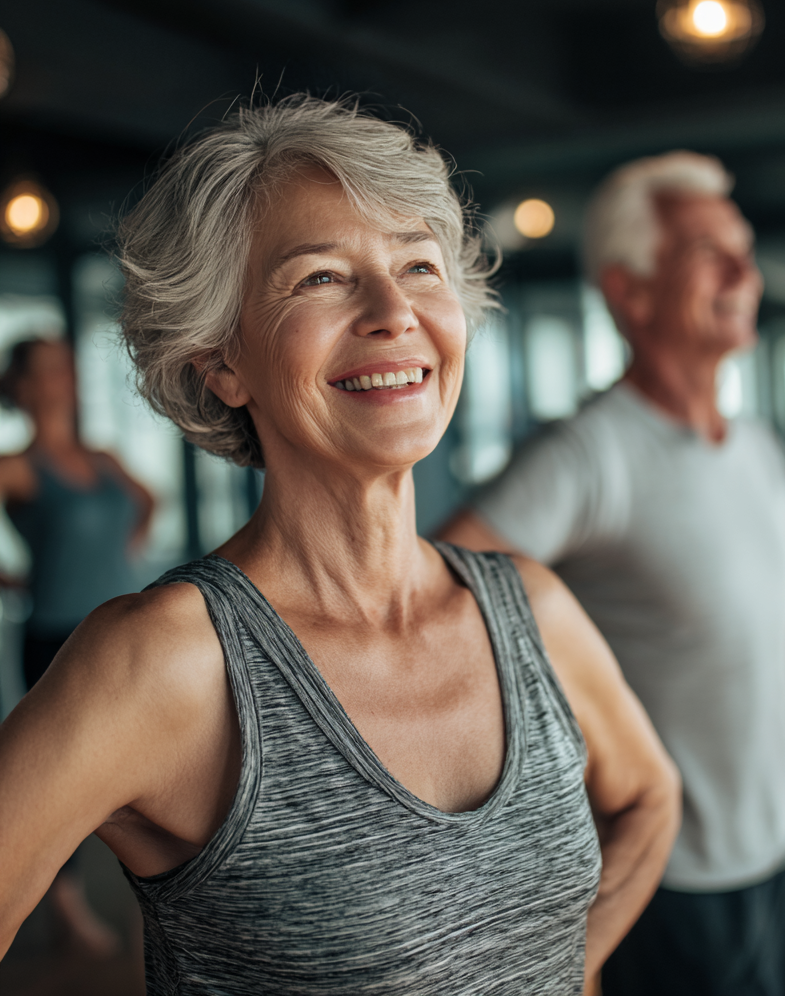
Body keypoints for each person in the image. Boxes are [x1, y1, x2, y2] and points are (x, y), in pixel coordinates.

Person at [0, 97, 681, 996]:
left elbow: (650, 798)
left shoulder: (533, 609)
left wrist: (558, 971)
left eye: (419, 265)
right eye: (321, 277)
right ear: (221, 359)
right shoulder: (166, 663)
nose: (394, 311)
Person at [440, 151, 785, 996]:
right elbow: (433, 596)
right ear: (630, 291)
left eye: (744, 248)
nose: (744, 270)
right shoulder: (590, 454)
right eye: (706, 251)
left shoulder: (760, 447)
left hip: (772, 846)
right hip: (669, 875)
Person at [0, 335, 154, 956]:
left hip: (122, 631)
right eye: (48, 370)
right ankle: (65, 909)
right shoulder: (16, 466)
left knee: (143, 774)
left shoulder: (104, 458)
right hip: (57, 638)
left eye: (67, 366)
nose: (64, 377)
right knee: (57, 784)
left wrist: (122, 548)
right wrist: (15, 578)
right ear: (23, 388)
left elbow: (147, 501)